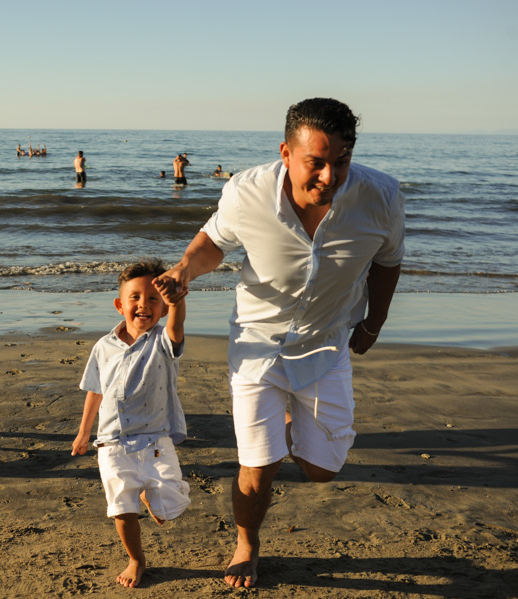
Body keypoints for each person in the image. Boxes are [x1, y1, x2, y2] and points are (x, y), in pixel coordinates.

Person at [157, 98, 405, 588]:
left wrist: (374, 323)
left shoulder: (381, 197)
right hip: (257, 346)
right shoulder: (247, 192)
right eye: (317, 162)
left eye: (342, 161)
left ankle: (290, 424)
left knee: (321, 469)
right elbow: (213, 242)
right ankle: (246, 545)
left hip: (326, 343)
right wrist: (183, 270)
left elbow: (387, 261)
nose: (330, 176)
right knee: (258, 467)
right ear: (286, 153)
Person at [71, 259, 190, 588]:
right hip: (112, 441)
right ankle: (136, 559)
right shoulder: (103, 346)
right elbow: (96, 390)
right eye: (135, 297)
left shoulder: (163, 341)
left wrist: (176, 301)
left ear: (163, 308)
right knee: (121, 508)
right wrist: (83, 432)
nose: (143, 305)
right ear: (119, 305)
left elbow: (177, 325)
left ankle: (151, 496)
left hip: (155, 439)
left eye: (153, 299)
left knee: (172, 506)